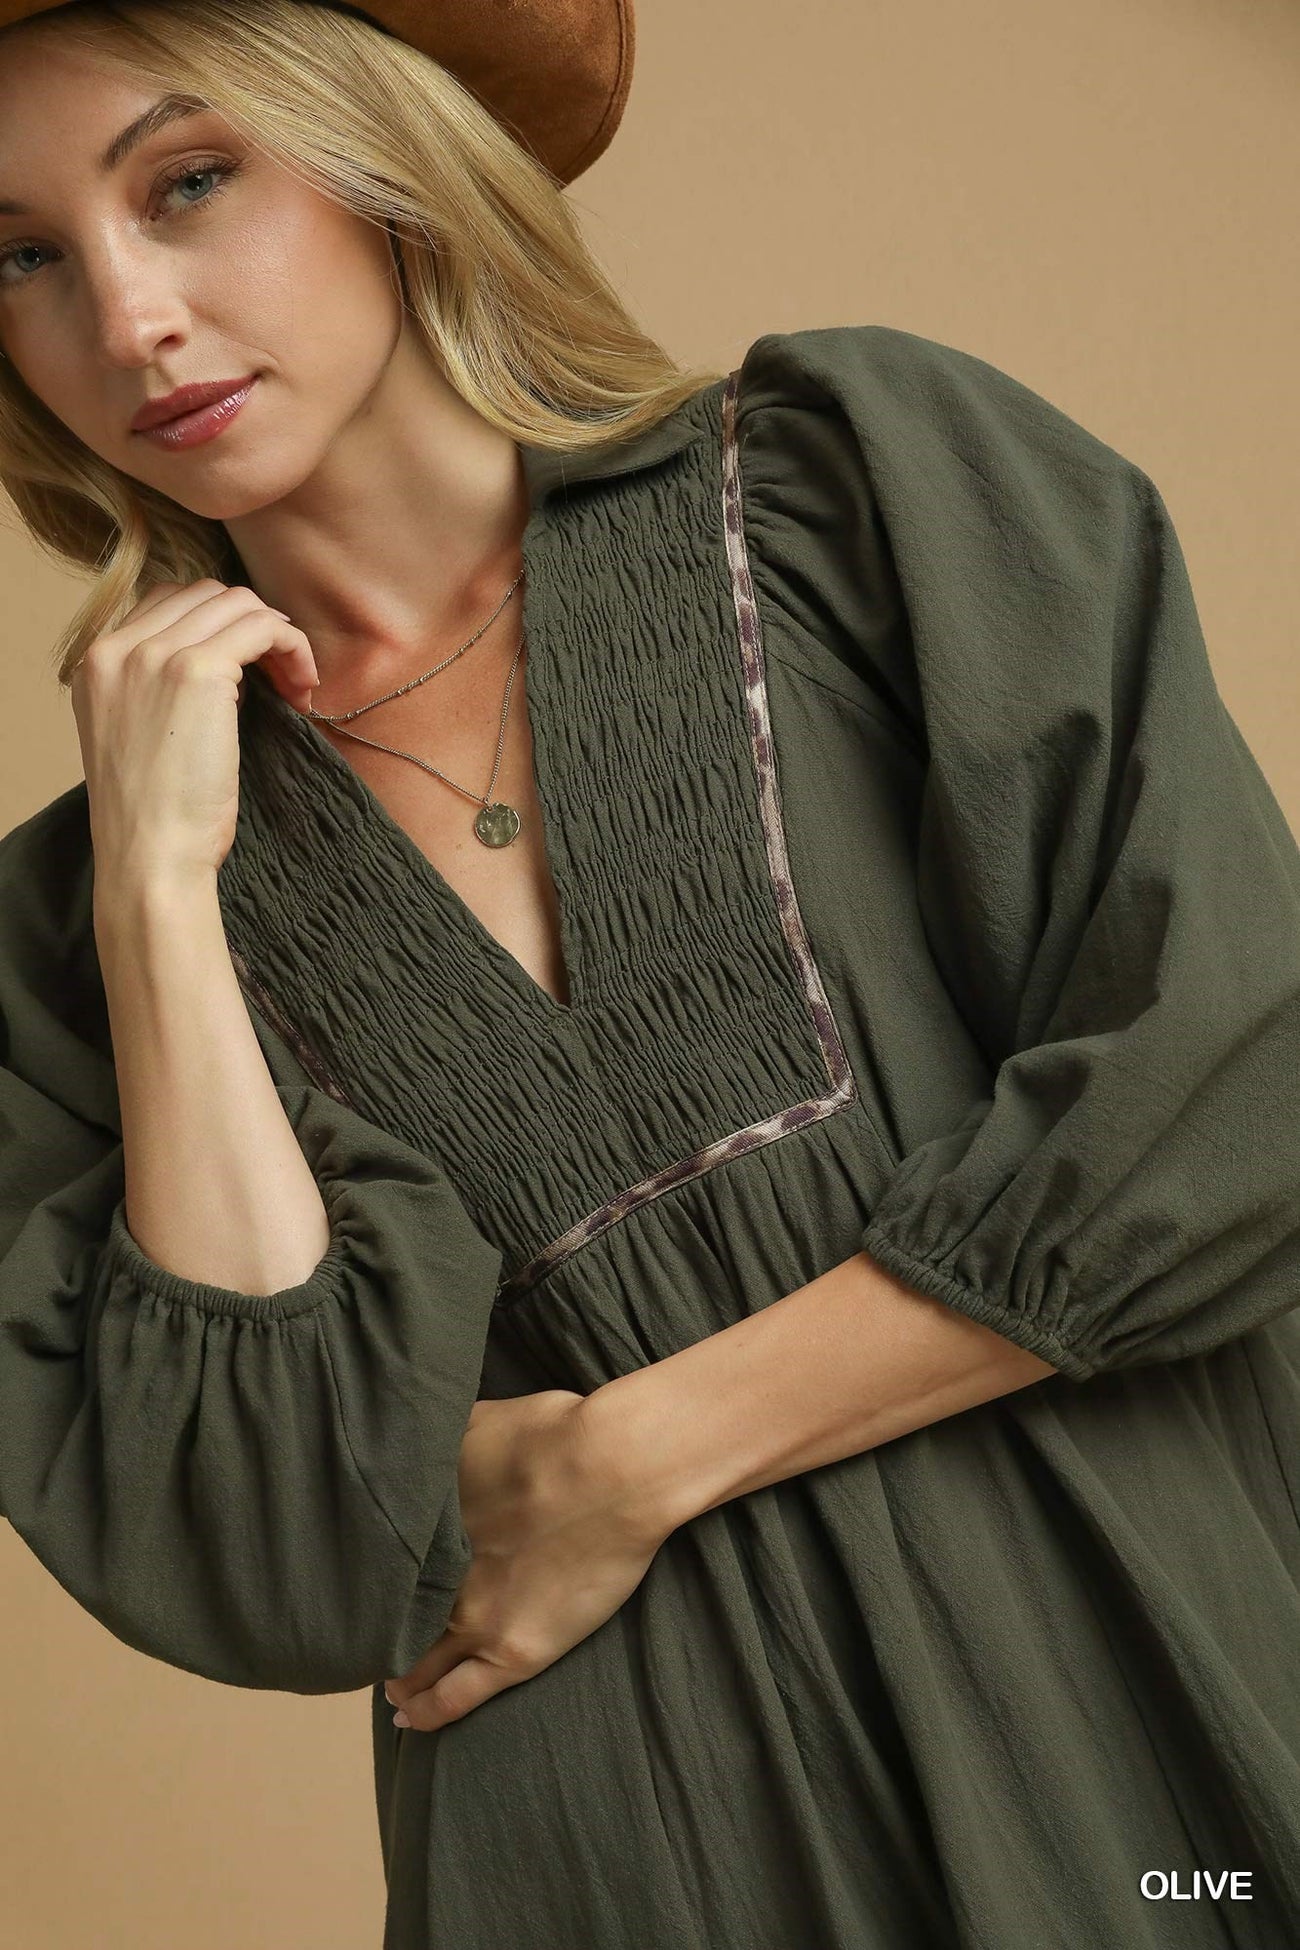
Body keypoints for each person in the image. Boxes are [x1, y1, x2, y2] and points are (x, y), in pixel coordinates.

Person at [1, 0, 1297, 1944]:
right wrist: (157, 894)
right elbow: (283, 1542)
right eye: (19, 258)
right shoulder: (77, 927)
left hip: (1131, 1717)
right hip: (634, 1862)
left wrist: (627, 1457)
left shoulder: (857, 498)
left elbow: (1235, 1073)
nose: (128, 317)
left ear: (385, 161)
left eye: (188, 183)